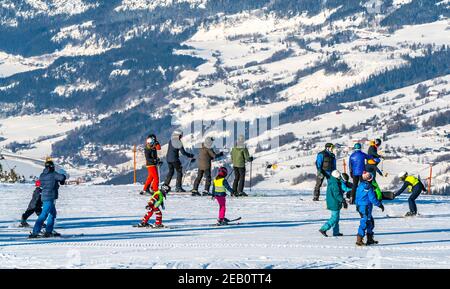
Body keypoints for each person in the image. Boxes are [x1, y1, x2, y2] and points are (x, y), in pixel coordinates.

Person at [29, 160, 66, 238]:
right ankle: (35, 232)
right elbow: (62, 177)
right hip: (50, 197)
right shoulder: (53, 174)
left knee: (53, 214)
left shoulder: (42, 175)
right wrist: (64, 175)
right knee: (44, 214)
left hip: (44, 196)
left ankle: (48, 231)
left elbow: (41, 184)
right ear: (52, 167)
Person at [355, 172, 384, 246]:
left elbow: (357, 196)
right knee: (364, 222)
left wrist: (357, 205)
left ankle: (370, 239)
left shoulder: (360, 185)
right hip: (366, 207)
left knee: (370, 222)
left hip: (361, 206)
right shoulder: (368, 187)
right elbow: (372, 199)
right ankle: (359, 240)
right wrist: (380, 205)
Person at [319, 170, 348, 237]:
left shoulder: (333, 180)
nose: (340, 178)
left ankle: (336, 232)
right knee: (334, 218)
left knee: (336, 218)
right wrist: (343, 201)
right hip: (334, 202)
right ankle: (323, 229)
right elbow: (337, 194)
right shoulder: (335, 184)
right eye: (339, 177)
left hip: (332, 201)